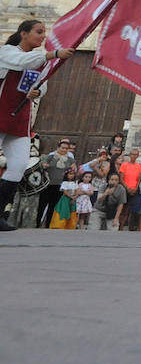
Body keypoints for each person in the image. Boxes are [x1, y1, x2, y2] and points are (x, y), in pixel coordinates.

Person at [0, 20, 73, 231]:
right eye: (38, 32)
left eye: (44, 33)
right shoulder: (7, 51)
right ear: (23, 33)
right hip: (1, 112)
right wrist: (54, 54)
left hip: (20, 118)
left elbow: (42, 84)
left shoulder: (41, 61)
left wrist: (37, 92)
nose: (42, 36)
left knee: (19, 165)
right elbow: (21, 62)